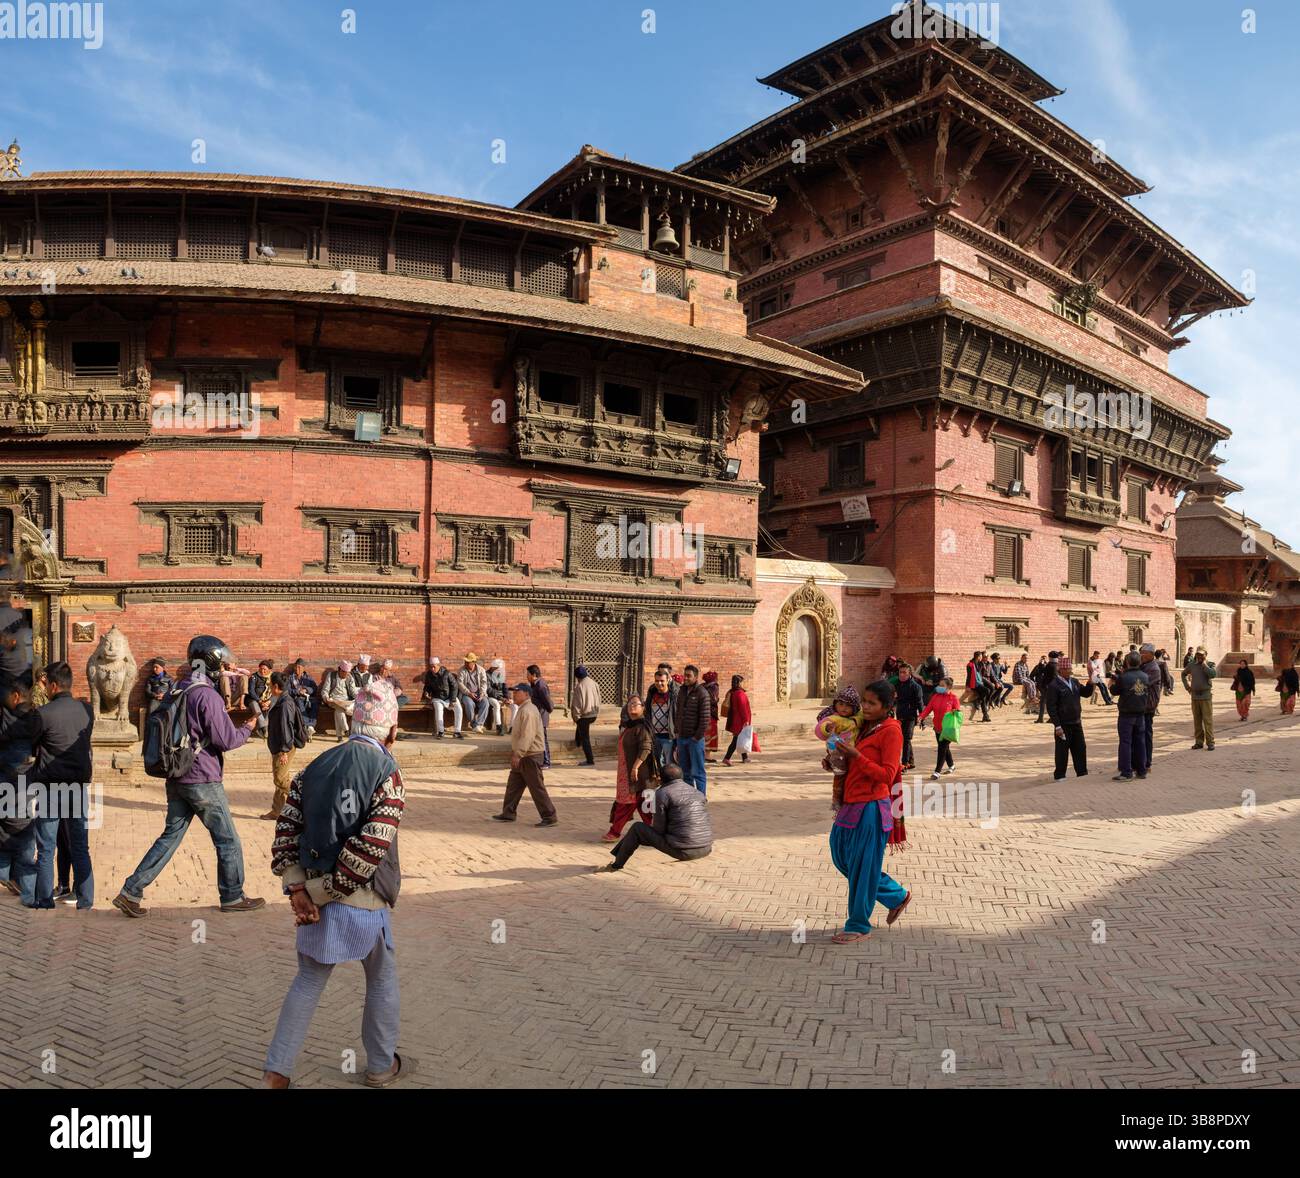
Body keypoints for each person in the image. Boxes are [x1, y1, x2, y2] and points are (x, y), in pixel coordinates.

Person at [263, 680, 414, 1090]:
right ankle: (381, 1066)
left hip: (314, 894)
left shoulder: (316, 764)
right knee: (381, 978)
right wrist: (315, 893)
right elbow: (371, 848)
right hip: (364, 901)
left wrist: (299, 889)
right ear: (393, 731)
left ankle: (277, 1073)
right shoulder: (389, 773)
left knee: (308, 980)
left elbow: (287, 829)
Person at [113, 635, 264, 917]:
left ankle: (131, 891)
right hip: (202, 778)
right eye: (221, 663)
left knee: (170, 836)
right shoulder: (207, 695)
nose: (225, 668)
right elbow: (226, 740)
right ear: (210, 662)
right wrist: (248, 728)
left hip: (177, 775)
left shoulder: (177, 688)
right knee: (227, 839)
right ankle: (232, 895)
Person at [824, 680, 910, 944]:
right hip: (851, 801)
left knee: (863, 867)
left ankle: (858, 924)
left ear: (887, 706)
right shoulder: (862, 727)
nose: (866, 707)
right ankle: (895, 895)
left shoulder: (892, 731)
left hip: (873, 806)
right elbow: (852, 762)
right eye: (865, 701)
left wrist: (856, 756)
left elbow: (887, 774)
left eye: (872, 703)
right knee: (841, 855)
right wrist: (835, 761)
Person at [27, 662, 95, 910]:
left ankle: (44, 899)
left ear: (53, 685)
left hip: (50, 788)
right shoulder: (87, 710)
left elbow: (31, 745)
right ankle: (85, 899)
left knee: (47, 847)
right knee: (80, 845)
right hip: (77, 787)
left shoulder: (43, 714)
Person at [593, 764, 712, 873]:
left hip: (684, 851)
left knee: (637, 828)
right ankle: (617, 855)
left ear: (661, 779)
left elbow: (659, 829)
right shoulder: (697, 792)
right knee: (638, 833)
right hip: (706, 848)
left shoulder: (662, 793)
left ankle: (616, 865)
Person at [492, 682, 557, 826]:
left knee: (536, 787)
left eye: (517, 692)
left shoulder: (528, 710)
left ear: (527, 694)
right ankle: (508, 812)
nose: (514, 694)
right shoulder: (524, 709)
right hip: (524, 754)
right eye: (513, 692)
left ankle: (549, 816)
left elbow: (528, 735)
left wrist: (518, 754)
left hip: (529, 755)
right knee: (514, 785)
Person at [0, 674, 39, 901]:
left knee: (8, 827)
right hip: (23, 782)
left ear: (15, 696)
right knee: (23, 829)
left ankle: (8, 876)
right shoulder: (35, 718)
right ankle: (21, 880)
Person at [604, 693, 656, 842]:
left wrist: (635, 768)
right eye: (630, 704)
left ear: (643, 708)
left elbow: (646, 748)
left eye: (636, 704)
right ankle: (653, 833)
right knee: (644, 805)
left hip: (640, 774)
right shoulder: (628, 727)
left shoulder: (642, 727)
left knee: (630, 803)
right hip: (627, 773)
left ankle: (615, 831)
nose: (632, 706)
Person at [262, 671, 308, 821]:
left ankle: (307, 801)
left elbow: (286, 728)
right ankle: (277, 811)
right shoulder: (282, 699)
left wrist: (283, 751)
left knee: (280, 779)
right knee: (281, 777)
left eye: (270, 684)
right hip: (280, 745)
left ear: (276, 686)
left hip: (284, 746)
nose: (268, 687)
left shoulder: (285, 704)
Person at [1043, 656, 1093, 780]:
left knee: (1080, 748)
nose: (1070, 671)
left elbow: (1086, 693)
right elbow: (1051, 707)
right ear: (1061, 670)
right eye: (1068, 669)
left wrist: (1090, 684)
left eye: (1070, 668)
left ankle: (1082, 773)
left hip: (1076, 722)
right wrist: (1057, 725)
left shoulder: (1075, 682)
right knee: (1062, 751)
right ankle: (1060, 775)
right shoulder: (1054, 686)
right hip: (1063, 725)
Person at [673, 664, 714, 795]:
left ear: (695, 677)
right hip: (682, 737)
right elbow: (678, 712)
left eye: (688, 676)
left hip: (695, 739)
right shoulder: (682, 691)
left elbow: (705, 718)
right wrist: (677, 730)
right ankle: (690, 797)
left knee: (698, 771)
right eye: (685, 675)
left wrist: (696, 737)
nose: (685, 678)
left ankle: (701, 796)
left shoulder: (702, 693)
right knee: (685, 771)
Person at [1110, 652, 1150, 781]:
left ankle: (1126, 771)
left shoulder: (1124, 677)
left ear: (1127, 662)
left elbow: (1114, 691)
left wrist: (1114, 681)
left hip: (1127, 714)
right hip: (1140, 713)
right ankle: (1141, 770)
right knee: (1140, 742)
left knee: (1126, 742)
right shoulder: (1145, 676)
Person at [917, 677, 960, 780]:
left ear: (948, 687)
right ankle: (952, 765)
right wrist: (921, 716)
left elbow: (958, 713)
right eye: (939, 685)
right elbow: (928, 708)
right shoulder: (935, 696)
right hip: (937, 727)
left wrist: (955, 713)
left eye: (942, 685)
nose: (939, 687)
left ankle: (937, 771)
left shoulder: (953, 698)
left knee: (941, 749)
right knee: (944, 748)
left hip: (948, 729)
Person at [1182, 647, 1218, 750]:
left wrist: (1205, 665)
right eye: (1198, 654)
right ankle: (1199, 741)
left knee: (1207, 720)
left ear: (1206, 655)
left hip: (1206, 696)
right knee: (1197, 721)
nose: (1199, 656)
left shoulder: (1210, 664)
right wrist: (1187, 687)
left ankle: (1210, 742)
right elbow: (1183, 674)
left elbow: (1213, 674)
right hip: (1195, 696)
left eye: (1202, 655)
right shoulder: (1192, 665)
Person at [420, 657, 463, 739]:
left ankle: (457, 732)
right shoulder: (429, 675)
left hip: (450, 696)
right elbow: (427, 686)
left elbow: (454, 686)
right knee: (438, 710)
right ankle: (441, 731)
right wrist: (426, 692)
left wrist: (453, 700)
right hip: (437, 697)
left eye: (434, 666)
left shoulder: (447, 673)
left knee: (459, 709)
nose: (432, 669)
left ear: (438, 665)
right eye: (431, 666)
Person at [644, 666, 677, 768]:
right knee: (656, 763)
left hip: (668, 736)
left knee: (669, 763)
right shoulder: (652, 694)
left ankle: (669, 783)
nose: (659, 683)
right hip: (654, 735)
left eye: (662, 681)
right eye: (657, 681)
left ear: (668, 680)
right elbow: (648, 712)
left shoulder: (673, 696)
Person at [894, 663, 924, 769]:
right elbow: (894, 699)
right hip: (900, 715)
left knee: (906, 739)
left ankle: (904, 763)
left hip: (911, 716)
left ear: (909, 673)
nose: (902, 675)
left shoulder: (916, 687)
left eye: (904, 673)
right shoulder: (897, 684)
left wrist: (922, 718)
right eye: (900, 672)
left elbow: (920, 703)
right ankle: (911, 762)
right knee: (904, 738)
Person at [569, 666, 600, 766]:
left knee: (585, 737)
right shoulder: (594, 683)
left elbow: (577, 704)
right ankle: (578, 741)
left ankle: (590, 760)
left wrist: (575, 716)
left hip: (584, 715)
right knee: (582, 728)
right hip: (593, 713)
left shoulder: (580, 686)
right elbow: (599, 698)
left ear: (577, 677)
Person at [1138, 644, 1162, 774]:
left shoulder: (1153, 668)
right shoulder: (1143, 666)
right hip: (1141, 705)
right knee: (1139, 735)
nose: (1141, 655)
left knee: (1146, 734)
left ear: (1152, 654)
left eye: (1144, 653)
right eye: (1140, 653)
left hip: (1148, 706)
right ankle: (1139, 761)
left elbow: (1141, 683)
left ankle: (1147, 763)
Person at [720, 674, 752, 767]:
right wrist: (746, 720)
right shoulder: (740, 694)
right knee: (736, 740)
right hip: (740, 720)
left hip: (735, 719)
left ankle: (745, 757)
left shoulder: (732, 692)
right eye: (743, 682)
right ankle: (727, 758)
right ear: (739, 683)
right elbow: (743, 708)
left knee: (741, 738)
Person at [322, 659, 357, 741]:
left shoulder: (350, 678)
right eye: (344, 672)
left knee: (339, 710)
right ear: (339, 670)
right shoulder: (331, 676)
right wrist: (325, 698)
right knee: (338, 707)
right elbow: (325, 690)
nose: (346, 674)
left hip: (345, 701)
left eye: (347, 672)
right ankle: (346, 730)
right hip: (333, 699)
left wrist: (359, 697)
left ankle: (340, 736)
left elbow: (353, 692)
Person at [527, 665, 554, 768]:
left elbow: (547, 701)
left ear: (534, 675)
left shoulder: (540, 685)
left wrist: (549, 709)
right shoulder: (534, 684)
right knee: (537, 739)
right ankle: (538, 760)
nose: (527, 676)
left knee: (543, 739)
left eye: (528, 674)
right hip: (536, 716)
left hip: (541, 716)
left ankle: (546, 762)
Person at [458, 653, 490, 733]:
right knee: (469, 704)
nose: (465, 663)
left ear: (473, 662)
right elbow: (460, 684)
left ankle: (479, 724)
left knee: (485, 702)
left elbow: (484, 683)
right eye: (465, 661)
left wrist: (482, 693)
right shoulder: (462, 670)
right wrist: (469, 693)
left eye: (467, 662)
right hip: (467, 694)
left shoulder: (481, 670)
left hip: (479, 693)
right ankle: (474, 725)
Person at [287, 659, 318, 736]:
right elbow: (287, 690)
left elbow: (314, 688)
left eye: (299, 667)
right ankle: (308, 725)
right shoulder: (290, 678)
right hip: (297, 698)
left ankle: (310, 726)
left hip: (308, 698)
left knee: (315, 703)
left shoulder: (308, 678)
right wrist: (297, 692)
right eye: (296, 667)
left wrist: (306, 690)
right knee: (299, 702)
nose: (297, 669)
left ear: (303, 668)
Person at [245, 659, 274, 737]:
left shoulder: (272, 677)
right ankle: (264, 727)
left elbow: (275, 691)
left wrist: (268, 701)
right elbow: (251, 691)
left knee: (273, 704)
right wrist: (260, 701)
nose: (262, 671)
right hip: (253, 699)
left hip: (267, 700)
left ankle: (262, 728)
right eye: (261, 669)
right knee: (255, 705)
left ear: (269, 670)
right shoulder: (254, 677)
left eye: (265, 669)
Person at [1031, 652, 1059, 723]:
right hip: (1055, 687)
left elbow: (1042, 671)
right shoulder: (1057, 665)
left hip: (1048, 687)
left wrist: (1041, 664)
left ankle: (1041, 718)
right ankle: (1051, 718)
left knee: (1043, 703)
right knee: (1052, 704)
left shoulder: (1050, 665)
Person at [702, 670, 722, 761]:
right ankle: (707, 756)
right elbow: (714, 699)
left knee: (704, 734)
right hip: (711, 713)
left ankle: (703, 754)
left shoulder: (701, 686)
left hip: (702, 713)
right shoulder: (714, 686)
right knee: (710, 734)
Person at [964, 651, 989, 722]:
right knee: (987, 691)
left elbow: (981, 673)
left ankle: (985, 716)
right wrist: (967, 686)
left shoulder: (979, 664)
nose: (982, 658)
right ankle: (977, 701)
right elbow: (968, 676)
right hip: (974, 684)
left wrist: (982, 665)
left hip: (979, 683)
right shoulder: (970, 664)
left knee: (983, 698)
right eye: (981, 656)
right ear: (978, 657)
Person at [486, 659, 509, 735]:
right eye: (498, 669)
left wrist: (508, 698)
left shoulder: (500, 674)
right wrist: (501, 698)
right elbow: (489, 690)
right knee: (496, 705)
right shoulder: (487, 675)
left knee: (515, 706)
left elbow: (505, 687)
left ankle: (512, 727)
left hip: (501, 697)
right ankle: (499, 727)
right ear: (493, 667)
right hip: (490, 697)